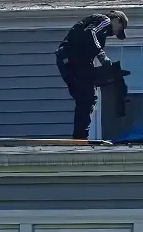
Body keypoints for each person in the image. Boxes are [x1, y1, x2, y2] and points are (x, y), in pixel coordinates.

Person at [55, 10, 129, 139]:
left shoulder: (101, 33)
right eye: (119, 29)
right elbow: (90, 32)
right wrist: (102, 56)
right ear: (116, 20)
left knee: (85, 98)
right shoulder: (104, 20)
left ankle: (79, 136)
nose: (116, 34)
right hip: (72, 58)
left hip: (67, 61)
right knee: (89, 96)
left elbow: (87, 43)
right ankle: (81, 136)